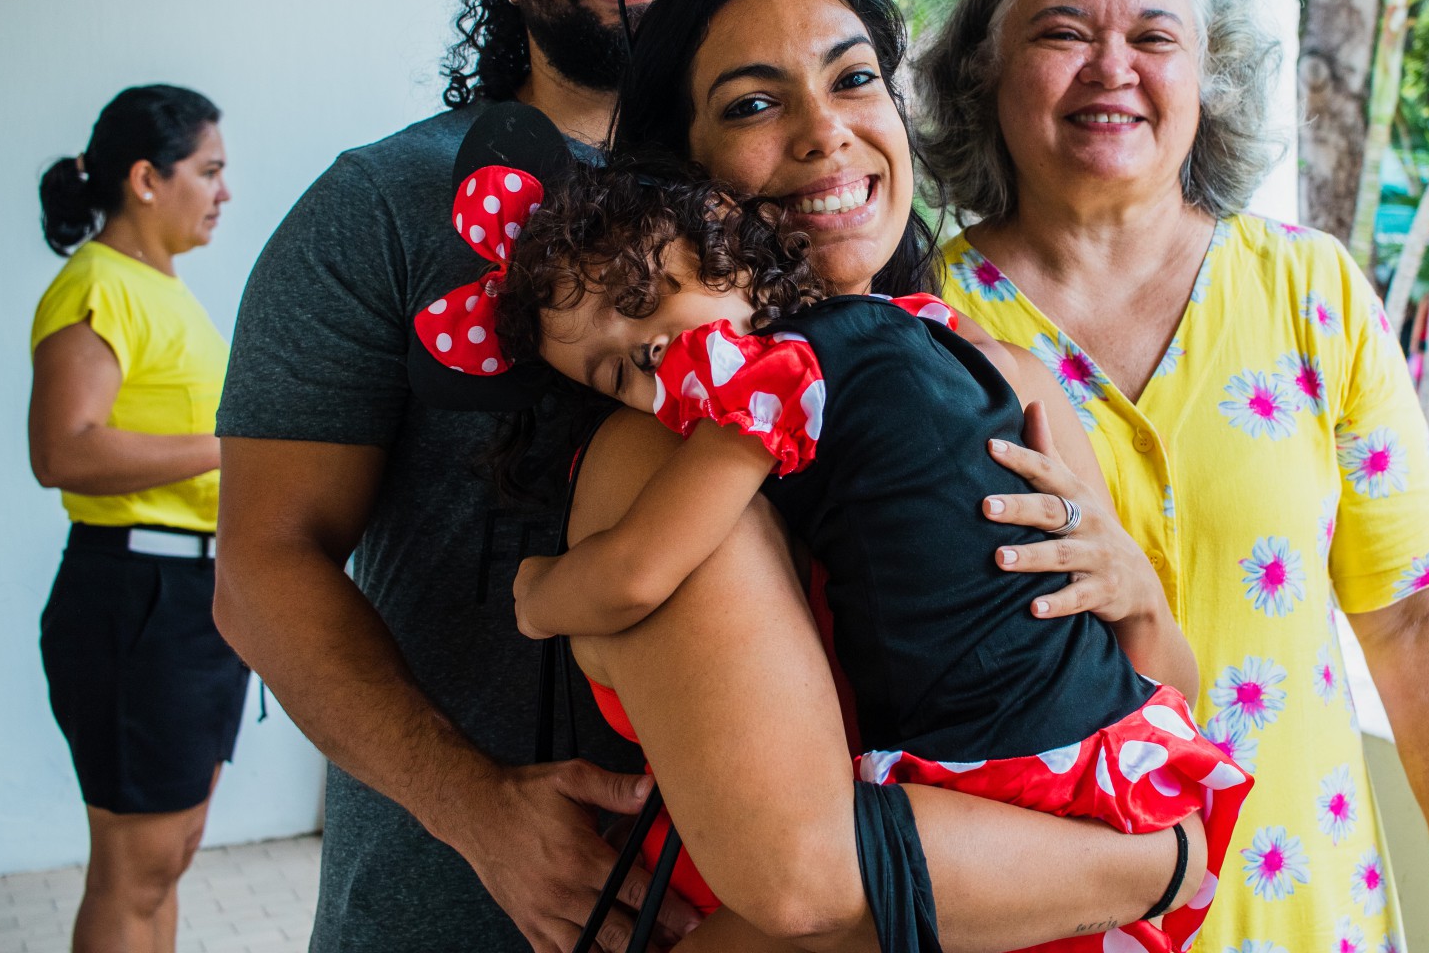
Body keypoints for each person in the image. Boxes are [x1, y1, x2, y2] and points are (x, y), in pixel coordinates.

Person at [549, 0, 1215, 953]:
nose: (827, 133)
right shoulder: (665, 453)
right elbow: (801, 876)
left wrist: (1135, 591)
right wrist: (1157, 864)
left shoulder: (1001, 373)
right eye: (754, 103)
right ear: (681, 172)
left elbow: (1166, 709)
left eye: (854, 78)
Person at [918, 0, 1429, 953]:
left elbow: (1419, 614)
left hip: (1309, 916)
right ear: (983, 72)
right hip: (1037, 926)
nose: (1113, 66)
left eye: (1155, 37)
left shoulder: (1309, 290)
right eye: (1063, 33)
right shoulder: (918, 321)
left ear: (1209, 80)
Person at [473, 160, 1248, 951]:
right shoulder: (934, 347)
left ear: (725, 237)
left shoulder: (785, 376)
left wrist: (536, 598)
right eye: (620, 371)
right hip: (1108, 784)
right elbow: (806, 881)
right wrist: (1168, 856)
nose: (657, 353)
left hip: (1031, 776)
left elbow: (636, 572)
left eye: (645, 302)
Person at [212, 0, 712, 953]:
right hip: (456, 908)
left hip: (763, 902)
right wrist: (475, 810)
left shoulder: (807, 193)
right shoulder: (383, 207)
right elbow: (261, 563)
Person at [29, 84, 243, 953]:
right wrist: (235, 448)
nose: (225, 192)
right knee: (135, 865)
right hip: (134, 598)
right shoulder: (95, 283)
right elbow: (65, 451)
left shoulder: (164, 289)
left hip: (191, 598)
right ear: (147, 179)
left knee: (170, 856)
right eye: (210, 171)